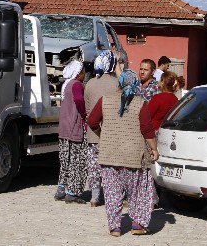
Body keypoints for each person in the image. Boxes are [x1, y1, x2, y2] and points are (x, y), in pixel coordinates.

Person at [87, 68, 158, 237]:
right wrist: (154, 149)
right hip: (135, 156)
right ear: (135, 84)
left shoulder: (105, 100)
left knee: (112, 193)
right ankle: (138, 225)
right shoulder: (140, 103)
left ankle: (115, 228)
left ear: (119, 83)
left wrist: (101, 134)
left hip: (109, 155)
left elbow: (92, 121)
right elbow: (147, 130)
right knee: (139, 191)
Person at [83, 50, 118, 207]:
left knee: (93, 165)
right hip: (112, 132)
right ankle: (113, 195)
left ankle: (95, 197)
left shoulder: (89, 84)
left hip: (93, 132)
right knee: (111, 166)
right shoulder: (117, 84)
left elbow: (87, 109)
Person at [55, 60, 88, 204]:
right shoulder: (76, 85)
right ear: (78, 73)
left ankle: (61, 189)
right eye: (83, 71)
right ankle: (72, 192)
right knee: (77, 161)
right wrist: (85, 113)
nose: (84, 74)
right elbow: (80, 100)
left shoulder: (66, 84)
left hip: (64, 128)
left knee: (65, 161)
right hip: (74, 128)